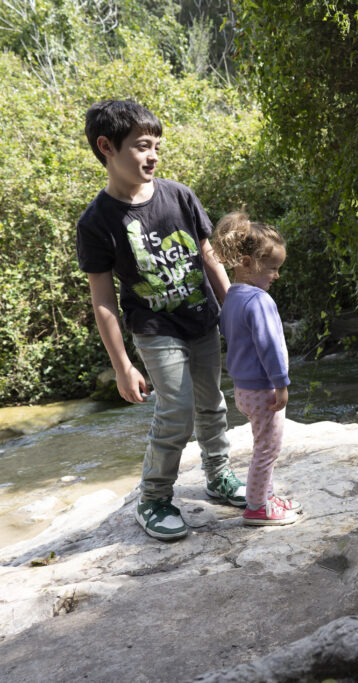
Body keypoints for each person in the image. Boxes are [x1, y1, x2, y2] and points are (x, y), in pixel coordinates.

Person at [76, 99, 245, 541]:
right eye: (141, 146)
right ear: (106, 147)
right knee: (176, 411)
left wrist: (233, 312)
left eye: (156, 146)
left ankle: (219, 474)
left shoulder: (179, 195)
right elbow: (103, 301)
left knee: (212, 404)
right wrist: (121, 366)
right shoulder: (96, 222)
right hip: (154, 328)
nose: (153, 155)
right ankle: (153, 498)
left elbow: (209, 259)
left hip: (202, 319)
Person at [210, 211, 301, 526]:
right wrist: (281, 383)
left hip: (242, 388)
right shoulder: (259, 300)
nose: (276, 275)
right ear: (246, 263)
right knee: (268, 450)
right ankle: (257, 507)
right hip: (264, 390)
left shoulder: (233, 296)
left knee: (263, 446)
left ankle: (267, 497)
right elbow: (269, 346)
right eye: (272, 268)